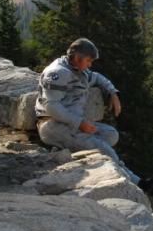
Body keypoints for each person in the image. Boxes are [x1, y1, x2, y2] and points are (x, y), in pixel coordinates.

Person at [35, 38, 140, 185]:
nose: (90, 65)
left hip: (72, 124)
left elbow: (97, 78)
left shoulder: (79, 71)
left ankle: (74, 146)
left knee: (111, 134)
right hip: (52, 124)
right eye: (88, 61)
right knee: (103, 148)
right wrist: (80, 123)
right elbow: (51, 107)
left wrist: (113, 93)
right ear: (78, 57)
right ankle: (134, 181)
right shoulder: (57, 73)